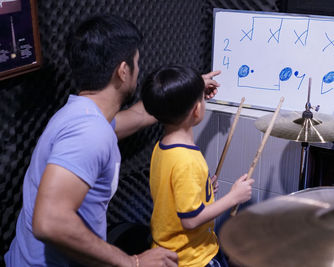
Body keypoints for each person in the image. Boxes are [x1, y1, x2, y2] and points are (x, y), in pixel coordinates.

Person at [4, 15, 220, 267]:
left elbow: (138, 117)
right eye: (137, 63)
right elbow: (50, 221)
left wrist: (188, 90)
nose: (139, 71)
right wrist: (134, 262)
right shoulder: (90, 134)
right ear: (123, 70)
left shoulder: (80, 114)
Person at [141, 65, 255, 267]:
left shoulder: (162, 147)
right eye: (201, 98)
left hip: (167, 250)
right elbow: (191, 220)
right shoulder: (189, 160)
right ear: (197, 109)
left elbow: (174, 195)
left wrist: (204, 191)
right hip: (193, 259)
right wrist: (233, 197)